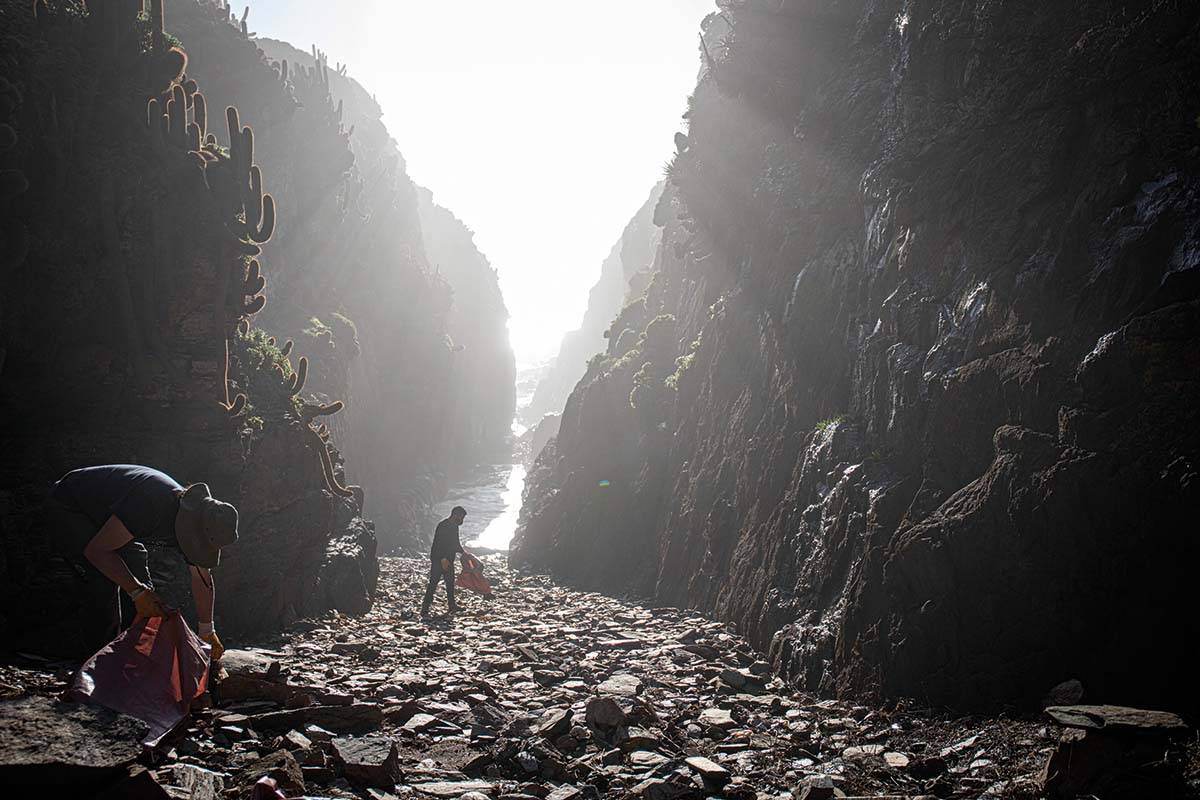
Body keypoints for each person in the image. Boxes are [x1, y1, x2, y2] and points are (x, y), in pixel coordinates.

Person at [47, 464, 238, 660]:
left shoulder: (201, 524)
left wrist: (207, 629)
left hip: (116, 524)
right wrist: (136, 592)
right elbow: (97, 551)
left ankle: (135, 662)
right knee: (103, 582)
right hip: (72, 506)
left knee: (148, 596)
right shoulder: (151, 503)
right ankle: (99, 668)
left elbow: (202, 577)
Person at [421, 505, 466, 617]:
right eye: (461, 517)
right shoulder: (443, 525)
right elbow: (439, 544)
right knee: (433, 582)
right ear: (455, 515)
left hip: (449, 559)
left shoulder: (454, 526)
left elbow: (455, 544)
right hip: (438, 559)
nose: (462, 520)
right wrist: (443, 559)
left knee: (450, 583)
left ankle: (452, 605)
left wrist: (464, 553)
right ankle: (425, 607)